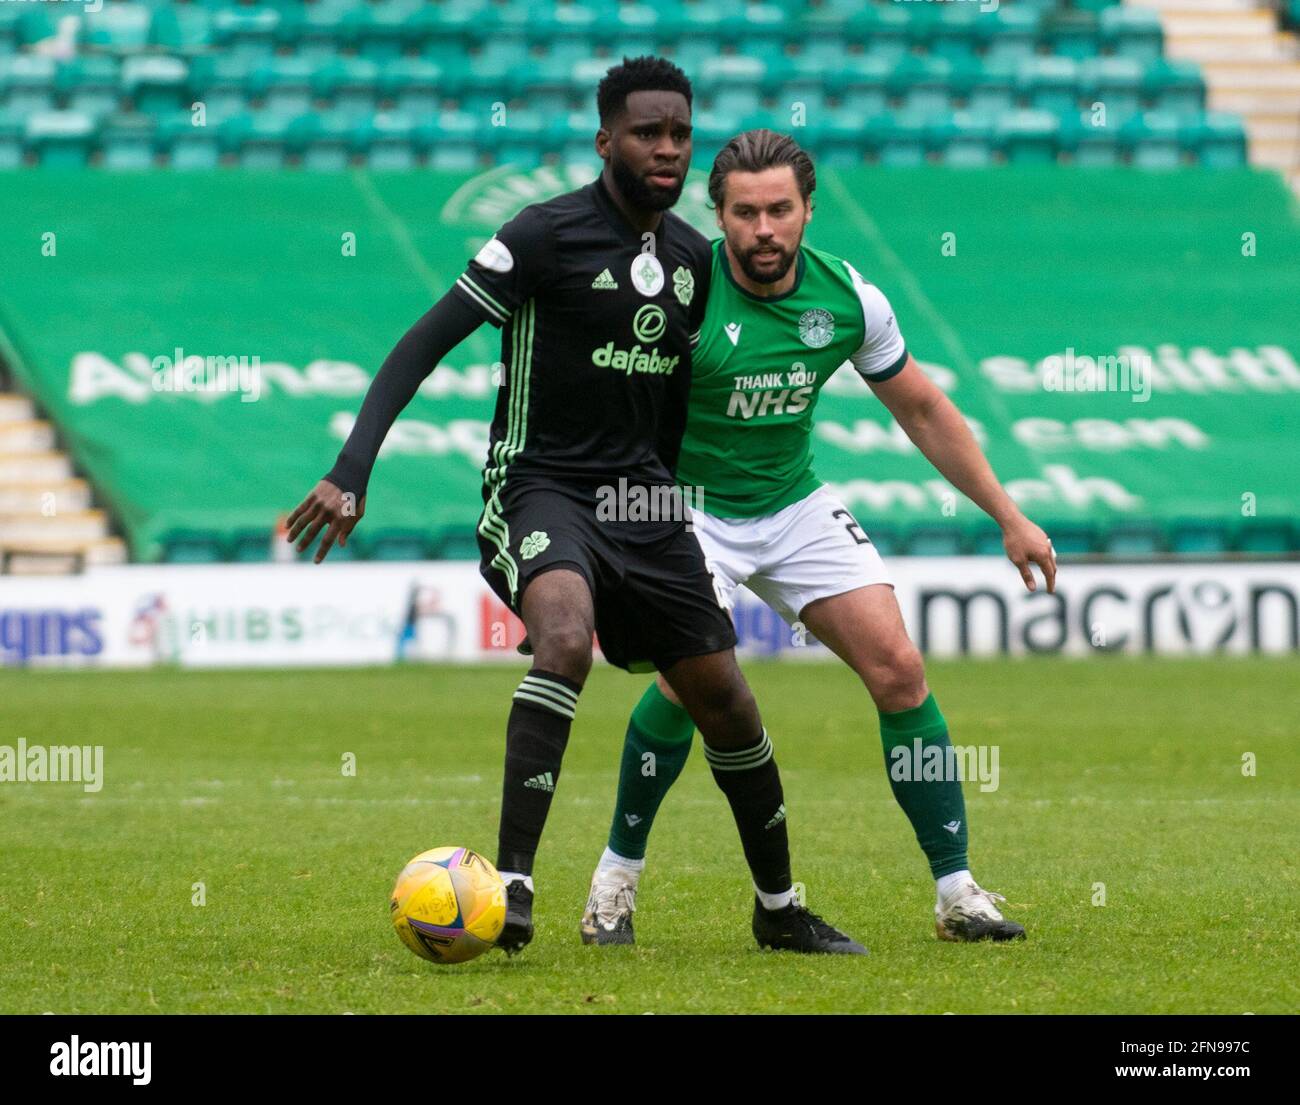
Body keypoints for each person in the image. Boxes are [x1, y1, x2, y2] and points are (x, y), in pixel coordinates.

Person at [286, 65, 864, 956]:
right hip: (540, 485)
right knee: (563, 638)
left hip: (644, 500)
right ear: (607, 142)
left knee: (729, 701)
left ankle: (780, 909)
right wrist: (352, 467)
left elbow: (675, 397)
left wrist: (673, 497)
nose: (666, 148)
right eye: (646, 133)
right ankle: (511, 888)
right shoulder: (542, 234)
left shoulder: (690, 259)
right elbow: (423, 340)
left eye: (679, 133)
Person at [580, 129, 1056, 946]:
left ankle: (957, 892)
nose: (764, 229)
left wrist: (1008, 515)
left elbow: (923, 409)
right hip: (686, 508)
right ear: (717, 215)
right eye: (744, 213)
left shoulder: (849, 299)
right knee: (691, 682)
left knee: (900, 668)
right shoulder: (678, 298)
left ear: (807, 211)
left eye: (779, 210)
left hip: (792, 500)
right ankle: (613, 883)